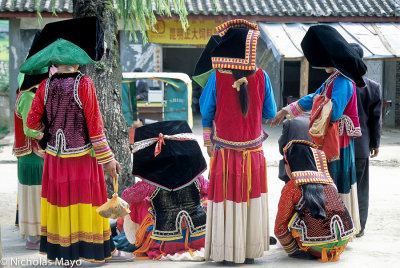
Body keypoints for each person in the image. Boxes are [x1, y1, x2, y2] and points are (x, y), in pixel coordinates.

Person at [22, 17, 132, 264]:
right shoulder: (84, 83)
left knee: (61, 204)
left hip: (54, 159)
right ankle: (89, 251)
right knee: (84, 203)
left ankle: (64, 254)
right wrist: (109, 159)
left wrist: (46, 136)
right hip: (82, 158)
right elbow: (95, 126)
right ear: (75, 59)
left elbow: (30, 124)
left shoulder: (44, 86)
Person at [270, 25, 367, 234]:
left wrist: (317, 104)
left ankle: (339, 226)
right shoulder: (334, 79)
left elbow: (334, 113)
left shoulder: (343, 81)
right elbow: (313, 98)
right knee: (330, 181)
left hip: (338, 143)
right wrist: (287, 110)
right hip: (331, 140)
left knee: (335, 182)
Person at [199, 19, 277, 264]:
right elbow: (270, 113)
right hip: (253, 153)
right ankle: (248, 251)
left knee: (225, 199)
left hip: (224, 152)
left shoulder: (216, 77)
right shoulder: (262, 77)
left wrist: (207, 140)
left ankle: (225, 251)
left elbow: (206, 110)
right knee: (249, 198)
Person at [121, 120, 208, 260]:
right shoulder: (198, 179)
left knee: (137, 204)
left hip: (164, 242)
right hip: (201, 237)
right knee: (206, 200)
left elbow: (126, 197)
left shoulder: (150, 184)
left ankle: (132, 240)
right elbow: (211, 190)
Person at [275, 140, 356, 262]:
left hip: (317, 248)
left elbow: (279, 227)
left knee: (292, 217)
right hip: (343, 242)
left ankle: (307, 246)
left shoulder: (292, 187)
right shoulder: (328, 181)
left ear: (290, 165)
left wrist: (292, 251)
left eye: (285, 164)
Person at [350, 43, 382, 238]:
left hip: (339, 146)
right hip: (361, 146)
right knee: (361, 188)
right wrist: (375, 144)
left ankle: (340, 226)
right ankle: (360, 227)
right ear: (362, 61)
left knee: (339, 187)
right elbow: (375, 120)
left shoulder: (339, 84)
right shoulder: (373, 87)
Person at [13, 72, 47, 250]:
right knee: (35, 196)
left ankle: (35, 237)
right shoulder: (27, 96)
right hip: (33, 156)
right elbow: (29, 129)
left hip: (33, 155)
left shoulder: (28, 94)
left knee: (36, 196)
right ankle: (34, 238)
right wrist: (47, 137)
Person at [278, 112, 311, 183]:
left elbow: (282, 147)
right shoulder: (316, 121)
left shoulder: (289, 122)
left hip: (292, 167)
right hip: (312, 167)